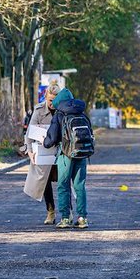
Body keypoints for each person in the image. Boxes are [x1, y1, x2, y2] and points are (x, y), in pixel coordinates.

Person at [43, 87, 89, 229]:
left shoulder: (59, 114)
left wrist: (45, 142)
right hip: (82, 153)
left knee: (63, 185)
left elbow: (51, 138)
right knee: (79, 185)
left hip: (66, 154)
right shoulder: (81, 112)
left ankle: (65, 218)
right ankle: (82, 218)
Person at [23, 83, 60, 224]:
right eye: (50, 100)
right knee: (44, 181)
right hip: (43, 151)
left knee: (64, 181)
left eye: (55, 101)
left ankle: (66, 213)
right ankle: (50, 211)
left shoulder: (63, 110)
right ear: (45, 97)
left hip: (60, 151)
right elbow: (30, 133)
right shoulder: (38, 111)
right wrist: (30, 151)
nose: (52, 104)